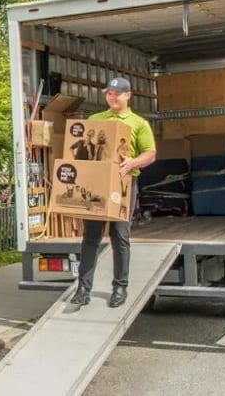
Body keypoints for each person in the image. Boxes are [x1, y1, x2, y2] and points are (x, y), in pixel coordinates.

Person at [70, 77, 156, 308]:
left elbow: (150, 154)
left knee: (120, 235)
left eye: (117, 94)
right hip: (97, 184)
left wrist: (133, 162)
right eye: (109, 93)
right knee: (91, 236)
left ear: (128, 96)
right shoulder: (95, 119)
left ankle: (120, 288)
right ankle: (83, 289)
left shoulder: (139, 123)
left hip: (124, 184)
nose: (112, 97)